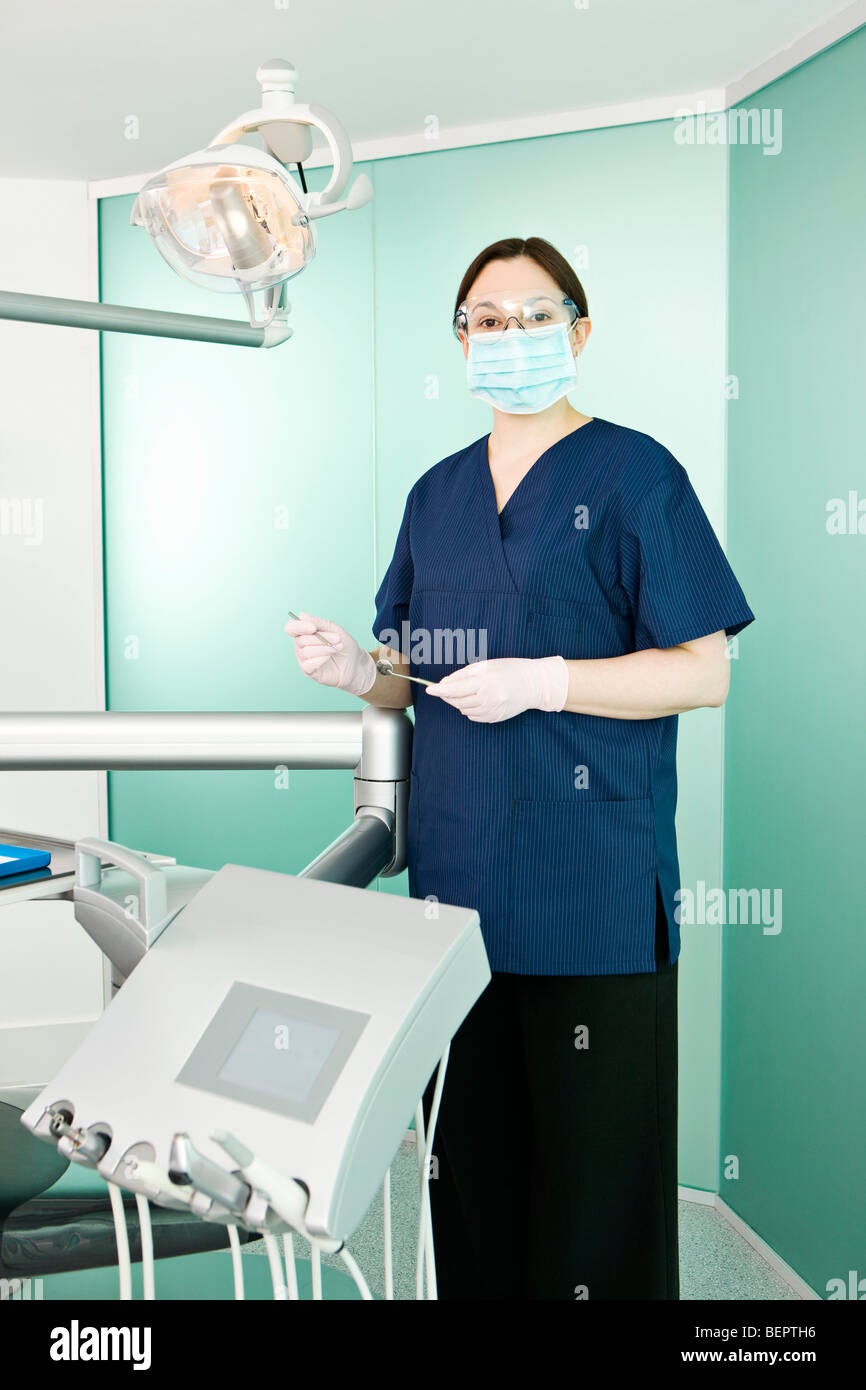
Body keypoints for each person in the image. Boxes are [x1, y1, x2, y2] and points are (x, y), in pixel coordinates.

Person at [285, 235, 754, 1300]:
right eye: (485, 320)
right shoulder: (434, 494)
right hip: (453, 891)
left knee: (596, 1196)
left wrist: (549, 680)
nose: (508, 337)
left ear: (577, 331)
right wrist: (360, 670)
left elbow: (703, 672)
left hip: (589, 885)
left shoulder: (634, 473)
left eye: (532, 316)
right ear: (461, 342)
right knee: (470, 1178)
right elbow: (416, 673)